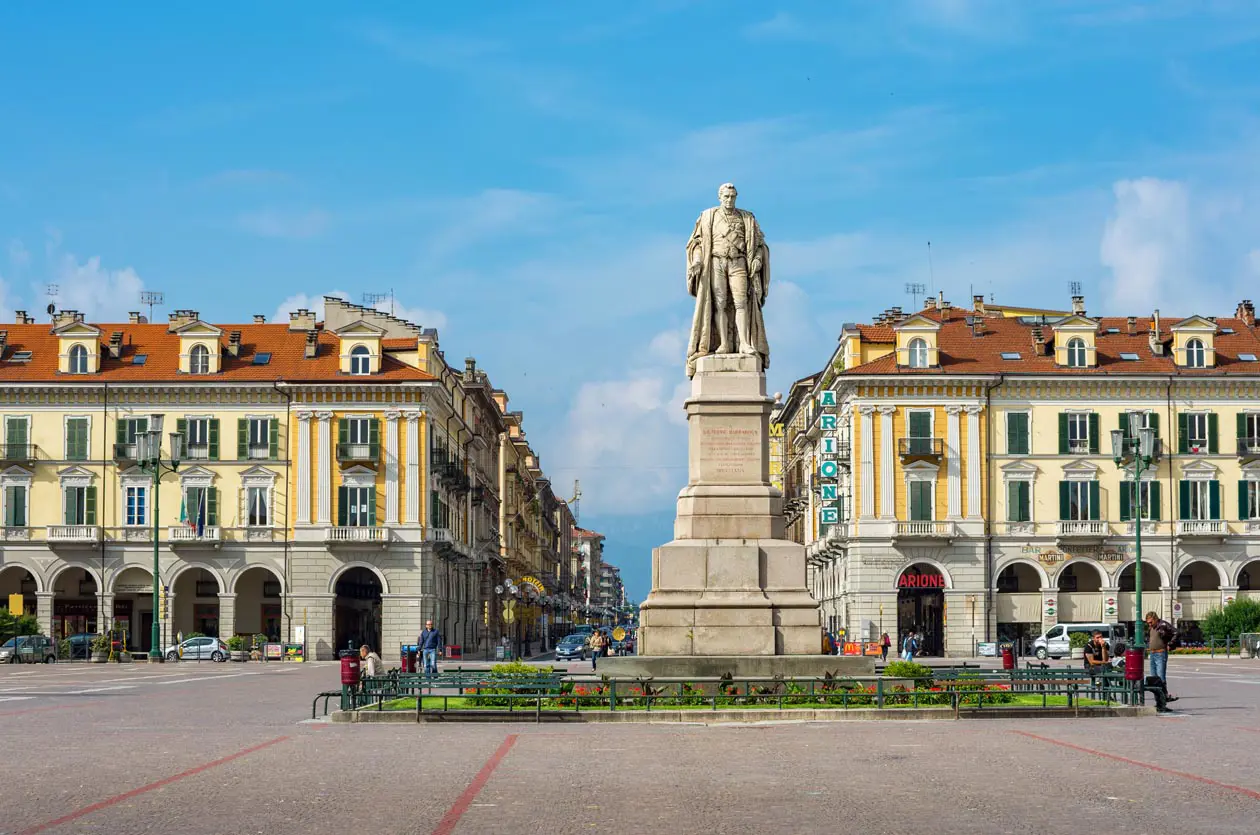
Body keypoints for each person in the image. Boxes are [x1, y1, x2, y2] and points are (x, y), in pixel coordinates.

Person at [685, 182, 772, 377]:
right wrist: (697, 261)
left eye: (732, 197)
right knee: (720, 304)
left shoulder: (747, 218)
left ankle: (745, 344)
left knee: (741, 303)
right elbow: (697, 244)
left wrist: (757, 259)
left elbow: (759, 245)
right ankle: (723, 343)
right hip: (716, 261)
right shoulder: (708, 216)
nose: (729, 200)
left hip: (738, 262)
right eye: (726, 197)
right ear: (719, 197)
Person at [1144, 611, 1179, 702]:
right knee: (1154, 678)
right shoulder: (1151, 628)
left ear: (1155, 619)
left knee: (1160, 677)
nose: (1149, 624)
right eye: (1148, 623)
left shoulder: (1163, 624)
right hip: (1152, 653)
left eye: (1151, 622)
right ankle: (1158, 699)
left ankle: (1164, 697)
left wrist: (1170, 644)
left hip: (1160, 653)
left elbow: (1176, 632)